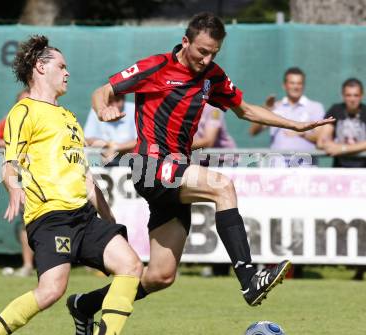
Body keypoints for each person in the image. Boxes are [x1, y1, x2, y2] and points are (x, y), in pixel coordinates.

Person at [66, 12, 334, 333]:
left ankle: (84, 304)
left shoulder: (212, 76)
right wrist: (103, 108)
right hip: (151, 165)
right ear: (186, 41)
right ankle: (249, 277)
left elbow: (245, 109)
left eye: (213, 54)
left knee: (160, 277)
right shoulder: (157, 66)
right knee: (221, 185)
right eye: (201, 52)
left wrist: (296, 124)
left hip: (175, 169)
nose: (206, 59)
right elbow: (103, 91)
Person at [0, 35, 143, 335]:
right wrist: (13, 187)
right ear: (40, 68)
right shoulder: (24, 110)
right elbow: (9, 164)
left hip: (83, 215)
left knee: (132, 266)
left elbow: (85, 176)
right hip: (50, 218)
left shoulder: (69, 117)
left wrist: (107, 217)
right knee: (50, 291)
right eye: (62, 66)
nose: (68, 73)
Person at [317, 78, 366, 280]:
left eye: (356, 95)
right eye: (348, 95)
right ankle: (347, 262)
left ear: (361, 96)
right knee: (339, 223)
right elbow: (322, 140)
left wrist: (342, 148)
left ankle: (361, 268)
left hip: (362, 176)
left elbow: (334, 146)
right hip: (340, 177)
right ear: (343, 96)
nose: (352, 99)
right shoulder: (336, 110)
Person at [0, 89, 34, 277]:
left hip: (49, 179)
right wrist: (9, 145)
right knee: (27, 221)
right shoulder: (11, 120)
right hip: (24, 178)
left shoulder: (49, 117)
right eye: (22, 102)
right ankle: (28, 265)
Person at [249, 67, 325, 166]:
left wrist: (301, 133)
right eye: (292, 83)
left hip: (305, 166)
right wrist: (266, 108)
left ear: (303, 85)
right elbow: (253, 132)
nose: (296, 87)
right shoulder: (275, 107)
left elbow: (321, 139)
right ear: (285, 85)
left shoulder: (315, 107)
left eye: (299, 83)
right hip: (277, 167)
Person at [84, 94, 136, 165]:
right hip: (101, 157)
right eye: (110, 101)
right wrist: (107, 145)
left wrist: (116, 148)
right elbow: (87, 138)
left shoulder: (134, 109)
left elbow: (140, 140)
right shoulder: (96, 111)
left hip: (129, 158)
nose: (114, 105)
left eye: (117, 101)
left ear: (123, 99)